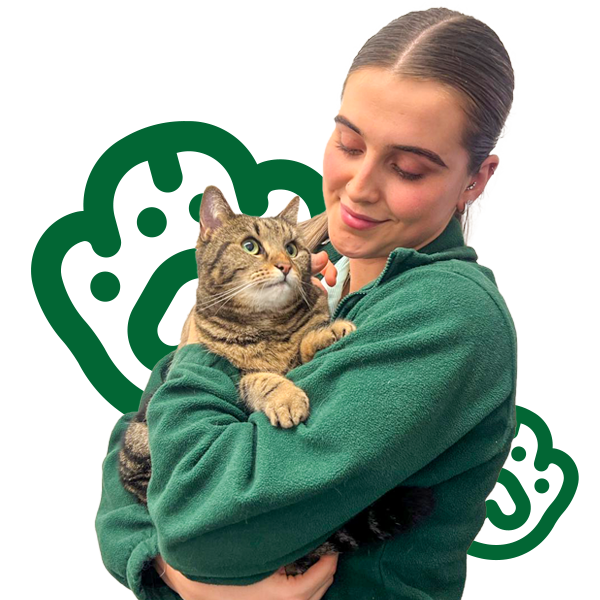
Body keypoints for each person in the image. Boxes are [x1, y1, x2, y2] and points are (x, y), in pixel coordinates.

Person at [95, 7, 517, 600]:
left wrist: (203, 342)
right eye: (347, 142)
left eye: (409, 167)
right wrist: (166, 571)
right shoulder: (322, 279)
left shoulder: (449, 317)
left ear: (476, 180)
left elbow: (200, 523)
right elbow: (128, 447)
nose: (359, 187)